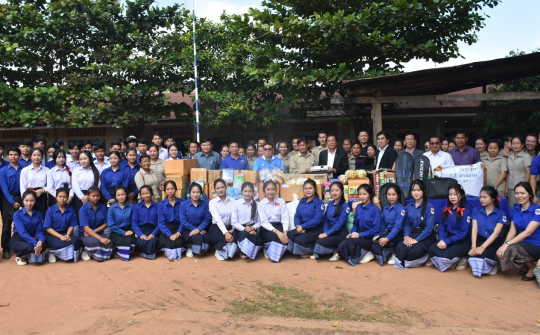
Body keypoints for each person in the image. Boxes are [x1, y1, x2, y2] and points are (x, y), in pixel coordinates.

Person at [497, 182, 540, 285]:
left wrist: (507, 244)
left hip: (536, 244)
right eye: (517, 193)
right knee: (501, 252)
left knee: (511, 249)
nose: (519, 196)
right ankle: (526, 265)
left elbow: (527, 232)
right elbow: (512, 231)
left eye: (522, 193)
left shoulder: (537, 210)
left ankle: (531, 267)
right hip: (522, 243)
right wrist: (503, 245)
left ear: (529, 194)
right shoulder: (516, 208)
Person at [427, 184, 472, 272]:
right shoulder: (446, 210)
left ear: (462, 195)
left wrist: (447, 242)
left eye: (455, 194)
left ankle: (461, 258)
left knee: (443, 254)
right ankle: (450, 261)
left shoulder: (465, 212)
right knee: (431, 249)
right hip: (448, 240)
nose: (452, 197)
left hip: (461, 242)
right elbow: (441, 227)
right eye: (450, 194)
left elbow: (463, 233)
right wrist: (442, 240)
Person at [394, 180, 436, 269]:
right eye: (413, 190)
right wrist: (406, 237)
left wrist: (416, 240)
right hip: (414, 233)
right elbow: (407, 225)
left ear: (423, 191)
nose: (416, 193)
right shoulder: (409, 206)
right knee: (400, 247)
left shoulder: (429, 207)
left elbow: (429, 228)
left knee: (412, 252)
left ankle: (427, 256)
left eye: (418, 190)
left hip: (426, 235)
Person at [336, 184, 381, 264]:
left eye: (364, 194)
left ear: (370, 194)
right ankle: (362, 252)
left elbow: (376, 229)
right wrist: (353, 233)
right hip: (359, 235)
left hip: (370, 237)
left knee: (348, 242)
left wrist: (359, 235)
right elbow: (355, 224)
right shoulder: (358, 207)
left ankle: (367, 252)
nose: (362, 196)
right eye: (360, 194)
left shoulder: (375, 209)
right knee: (345, 241)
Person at [468, 186, 507, 277]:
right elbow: (474, 229)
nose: (481, 199)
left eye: (485, 197)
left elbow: (496, 233)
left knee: (483, 256)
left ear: (493, 198)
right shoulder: (476, 210)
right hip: (480, 240)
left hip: (493, 242)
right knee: (471, 256)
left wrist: (482, 247)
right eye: (480, 197)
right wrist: (474, 246)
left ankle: (494, 264)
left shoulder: (500, 214)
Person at [312, 182, 350, 260]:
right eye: (332, 191)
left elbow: (339, 224)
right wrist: (325, 232)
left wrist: (327, 234)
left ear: (342, 191)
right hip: (330, 231)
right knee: (317, 239)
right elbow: (325, 220)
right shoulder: (330, 204)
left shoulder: (345, 206)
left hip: (340, 233)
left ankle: (337, 252)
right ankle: (326, 251)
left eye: (337, 190)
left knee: (319, 243)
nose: (334, 193)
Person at [287, 180, 325, 257]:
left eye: (310, 188)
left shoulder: (319, 203)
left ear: (315, 189)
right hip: (301, 228)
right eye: (306, 188)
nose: (308, 190)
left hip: (315, 230)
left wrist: (302, 226)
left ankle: (310, 250)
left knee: (298, 240)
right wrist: (298, 226)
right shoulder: (302, 201)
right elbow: (297, 216)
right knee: (288, 235)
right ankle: (298, 250)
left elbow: (317, 220)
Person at [371, 184, 406, 266]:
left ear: (398, 196)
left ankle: (393, 254)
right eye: (389, 194)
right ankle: (385, 253)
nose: (391, 197)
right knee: (375, 243)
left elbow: (397, 227)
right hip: (390, 232)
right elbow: (383, 224)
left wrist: (387, 238)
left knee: (386, 242)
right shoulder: (386, 208)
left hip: (399, 234)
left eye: (394, 195)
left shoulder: (401, 209)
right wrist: (379, 235)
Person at [44, 188, 81, 263]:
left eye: (64, 197)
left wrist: (67, 235)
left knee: (77, 241)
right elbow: (48, 228)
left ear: (67, 198)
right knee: (63, 244)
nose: (62, 199)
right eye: (60, 197)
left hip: (66, 233)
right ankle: (53, 252)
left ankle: (65, 254)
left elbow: (72, 224)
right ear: (56, 197)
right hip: (53, 235)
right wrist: (60, 236)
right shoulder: (50, 210)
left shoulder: (71, 209)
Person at [9, 191, 46, 265]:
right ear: (23, 200)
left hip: (33, 238)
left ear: (35, 201)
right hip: (18, 239)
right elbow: (22, 232)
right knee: (30, 247)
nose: (29, 203)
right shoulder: (17, 214)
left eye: (32, 200)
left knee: (44, 245)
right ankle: (19, 256)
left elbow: (39, 231)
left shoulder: (38, 214)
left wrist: (40, 241)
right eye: (26, 200)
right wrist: (35, 243)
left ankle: (29, 255)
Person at [257, 180, 290, 262]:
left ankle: (272, 251)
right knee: (274, 237)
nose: (270, 192)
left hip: (279, 225)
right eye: (268, 189)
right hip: (267, 228)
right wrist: (278, 232)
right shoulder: (261, 204)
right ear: (264, 190)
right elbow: (264, 222)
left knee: (286, 238)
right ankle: (268, 249)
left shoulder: (281, 201)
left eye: (273, 189)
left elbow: (285, 218)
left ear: (276, 190)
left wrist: (285, 233)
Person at [206, 179, 237, 260]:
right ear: (215, 190)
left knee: (234, 237)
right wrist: (226, 233)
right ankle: (219, 250)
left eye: (222, 187)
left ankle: (226, 250)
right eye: (218, 188)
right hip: (217, 228)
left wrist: (233, 229)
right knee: (221, 237)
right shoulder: (212, 203)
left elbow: (235, 217)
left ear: (226, 187)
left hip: (230, 227)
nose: (220, 190)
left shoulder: (233, 201)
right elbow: (218, 219)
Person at [0, 147, 23, 258]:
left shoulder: (24, 169)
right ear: (7, 156)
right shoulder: (3, 171)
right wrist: (12, 202)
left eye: (15, 154)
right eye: (11, 154)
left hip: (22, 198)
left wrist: (23, 200)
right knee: (6, 225)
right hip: (8, 199)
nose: (13, 156)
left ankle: (18, 246)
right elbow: (4, 189)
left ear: (19, 156)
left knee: (21, 224)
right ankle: (6, 248)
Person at [78, 187, 112, 261]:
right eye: (93, 196)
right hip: (84, 234)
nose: (96, 198)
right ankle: (85, 250)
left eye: (98, 196)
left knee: (109, 242)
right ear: (88, 196)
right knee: (96, 242)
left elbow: (105, 224)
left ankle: (94, 253)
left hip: (98, 232)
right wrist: (100, 238)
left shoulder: (103, 207)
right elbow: (85, 228)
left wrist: (94, 233)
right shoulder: (83, 209)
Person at [179, 183, 211, 257]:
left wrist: (199, 229)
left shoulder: (204, 204)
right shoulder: (183, 205)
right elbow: (183, 221)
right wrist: (195, 229)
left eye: (198, 192)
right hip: (188, 229)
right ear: (189, 193)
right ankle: (190, 248)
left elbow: (207, 219)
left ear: (201, 193)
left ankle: (198, 249)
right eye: (193, 192)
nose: (195, 194)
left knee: (207, 237)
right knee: (196, 237)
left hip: (201, 228)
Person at [231, 182, 262, 259]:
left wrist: (252, 228)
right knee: (247, 235)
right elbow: (234, 222)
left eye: (249, 191)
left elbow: (260, 221)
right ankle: (244, 250)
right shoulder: (236, 203)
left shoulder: (257, 204)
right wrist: (244, 229)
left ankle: (246, 250)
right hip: (240, 229)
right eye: (245, 191)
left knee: (258, 238)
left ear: (253, 192)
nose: (247, 193)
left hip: (253, 229)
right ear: (242, 191)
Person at [158, 181, 186, 260]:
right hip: (167, 228)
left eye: (172, 189)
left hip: (179, 227)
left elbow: (183, 220)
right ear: (165, 191)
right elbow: (161, 222)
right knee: (168, 243)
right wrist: (169, 235)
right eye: (168, 189)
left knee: (179, 242)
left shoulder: (182, 202)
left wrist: (179, 232)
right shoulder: (161, 204)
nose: (170, 191)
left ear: (176, 189)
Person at [72, 151, 100, 230]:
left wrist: (89, 196)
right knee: (80, 215)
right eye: (80, 159)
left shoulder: (95, 170)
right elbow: (75, 185)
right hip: (79, 196)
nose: (83, 161)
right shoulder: (76, 170)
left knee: (92, 214)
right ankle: (81, 233)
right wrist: (82, 197)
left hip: (93, 195)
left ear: (90, 159)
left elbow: (98, 184)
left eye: (85, 159)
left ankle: (93, 231)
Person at [131, 185, 160, 260]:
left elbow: (160, 222)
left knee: (152, 241)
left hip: (153, 229)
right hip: (141, 230)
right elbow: (134, 223)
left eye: (147, 193)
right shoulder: (137, 207)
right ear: (141, 195)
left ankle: (148, 253)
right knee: (141, 241)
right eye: (143, 194)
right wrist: (140, 234)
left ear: (151, 193)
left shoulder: (157, 206)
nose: (145, 195)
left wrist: (153, 234)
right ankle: (144, 253)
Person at [107, 186, 135, 261]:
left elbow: (134, 221)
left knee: (134, 240)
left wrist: (134, 232)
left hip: (129, 230)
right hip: (116, 231)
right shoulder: (112, 209)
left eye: (123, 194)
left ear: (126, 195)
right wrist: (124, 233)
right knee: (122, 240)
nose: (121, 197)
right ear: (115, 196)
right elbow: (111, 225)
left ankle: (123, 252)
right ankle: (119, 251)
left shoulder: (131, 207)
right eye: (118, 195)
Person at [19, 148, 49, 216]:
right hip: (29, 196)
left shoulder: (47, 170)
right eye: (34, 155)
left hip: (41, 196)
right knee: (29, 215)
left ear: (42, 157)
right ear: (30, 156)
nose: (36, 157)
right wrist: (25, 200)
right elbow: (23, 187)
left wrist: (43, 190)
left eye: (38, 155)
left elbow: (50, 185)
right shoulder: (25, 170)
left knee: (42, 216)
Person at [506, 135, 531, 207]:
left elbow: (528, 172)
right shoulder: (509, 157)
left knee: (523, 206)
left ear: (522, 145)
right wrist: (506, 187)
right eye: (513, 143)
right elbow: (508, 173)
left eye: (517, 143)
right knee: (512, 207)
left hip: (522, 187)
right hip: (511, 187)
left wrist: (526, 187)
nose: (515, 145)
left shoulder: (526, 157)